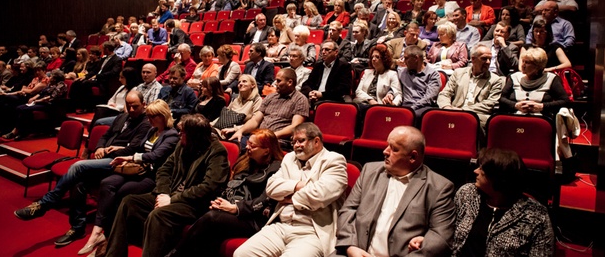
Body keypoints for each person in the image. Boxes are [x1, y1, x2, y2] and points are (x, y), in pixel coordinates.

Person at [14, 91, 152, 246]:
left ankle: (45, 203)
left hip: (119, 161)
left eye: (135, 106)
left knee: (78, 166)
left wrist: (109, 151)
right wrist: (100, 147)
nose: (132, 110)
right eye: (129, 106)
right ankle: (78, 227)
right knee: (78, 183)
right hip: (105, 156)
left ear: (144, 104)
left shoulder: (145, 123)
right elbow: (105, 136)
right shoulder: (122, 117)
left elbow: (133, 149)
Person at [103, 114, 230, 257]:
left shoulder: (217, 151)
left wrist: (172, 199)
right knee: (129, 202)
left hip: (193, 203)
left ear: (194, 135)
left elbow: (209, 187)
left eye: (183, 132)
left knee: (158, 215)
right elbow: (164, 169)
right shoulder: (182, 144)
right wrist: (163, 192)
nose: (179, 134)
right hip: (170, 194)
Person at [76, 100, 179, 256]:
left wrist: (131, 158)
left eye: (153, 117)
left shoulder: (171, 135)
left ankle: (110, 238)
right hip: (137, 170)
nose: (149, 120)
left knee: (122, 193)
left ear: (163, 116)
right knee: (107, 183)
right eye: (149, 116)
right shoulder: (152, 131)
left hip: (153, 176)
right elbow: (137, 147)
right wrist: (122, 150)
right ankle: (98, 232)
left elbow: (155, 155)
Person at [335, 126, 455, 257]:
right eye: (387, 145)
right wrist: (350, 247)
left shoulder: (439, 188)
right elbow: (347, 211)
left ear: (413, 157)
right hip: (356, 252)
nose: (385, 151)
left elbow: (441, 238)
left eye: (394, 149)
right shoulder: (369, 171)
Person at [234, 122, 348, 257]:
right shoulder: (289, 158)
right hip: (281, 226)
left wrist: (288, 197)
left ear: (316, 141)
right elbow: (271, 188)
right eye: (293, 141)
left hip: (311, 231)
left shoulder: (334, 161)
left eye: (301, 141)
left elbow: (318, 195)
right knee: (241, 254)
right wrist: (298, 186)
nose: (296, 145)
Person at [169, 129, 284, 257]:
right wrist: (220, 201)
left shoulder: (276, 169)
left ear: (266, 150)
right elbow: (230, 185)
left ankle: (175, 254)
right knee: (202, 211)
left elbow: (265, 199)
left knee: (212, 218)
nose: (247, 146)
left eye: (253, 145)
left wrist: (234, 208)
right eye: (248, 143)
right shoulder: (245, 161)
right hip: (231, 205)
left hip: (254, 218)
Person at [449, 148, 554, 256]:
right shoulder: (467, 194)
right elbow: (451, 236)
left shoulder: (536, 215)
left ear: (498, 178)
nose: (476, 171)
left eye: (482, 169)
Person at [228, 68, 309, 148]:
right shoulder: (270, 97)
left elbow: (295, 126)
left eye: (278, 81)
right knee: (233, 143)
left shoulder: (300, 100)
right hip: (257, 137)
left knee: (243, 147)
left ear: (290, 82)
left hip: (277, 140)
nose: (275, 84)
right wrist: (240, 131)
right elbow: (255, 120)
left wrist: (270, 136)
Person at [437, 44, 504, 130]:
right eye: (484, 58)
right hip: (452, 111)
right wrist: (446, 107)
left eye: (489, 59)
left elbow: (489, 104)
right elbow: (445, 93)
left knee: (473, 122)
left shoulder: (495, 80)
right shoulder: (458, 73)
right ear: (473, 59)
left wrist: (463, 111)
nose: (488, 62)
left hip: (477, 115)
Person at [499, 47, 570, 119]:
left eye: (527, 62)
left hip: (542, 120)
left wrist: (542, 106)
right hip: (515, 118)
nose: (523, 65)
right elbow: (502, 99)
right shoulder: (514, 77)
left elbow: (565, 101)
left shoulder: (551, 78)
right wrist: (515, 105)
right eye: (523, 61)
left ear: (538, 66)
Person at [4, 70, 68, 141]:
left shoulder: (62, 85)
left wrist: (37, 101)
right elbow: (41, 93)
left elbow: (52, 97)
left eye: (51, 76)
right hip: (40, 102)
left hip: (50, 105)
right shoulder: (51, 84)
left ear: (55, 78)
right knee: (19, 108)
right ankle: (17, 130)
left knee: (24, 110)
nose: (49, 77)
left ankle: (21, 132)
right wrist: (33, 98)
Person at [69, 41, 122, 112]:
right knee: (76, 82)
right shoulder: (103, 59)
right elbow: (95, 71)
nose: (102, 50)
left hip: (103, 81)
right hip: (96, 78)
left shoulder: (117, 59)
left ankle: (87, 107)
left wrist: (97, 76)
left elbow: (113, 72)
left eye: (104, 49)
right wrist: (85, 76)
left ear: (107, 49)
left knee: (85, 84)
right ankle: (73, 105)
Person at [301, 41, 352, 106]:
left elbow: (344, 88)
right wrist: (310, 93)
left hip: (332, 99)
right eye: (322, 49)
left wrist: (322, 95)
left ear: (336, 52)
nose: (323, 52)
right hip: (315, 98)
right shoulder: (318, 66)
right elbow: (307, 84)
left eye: (327, 50)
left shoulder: (344, 67)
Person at [398, 45, 441, 117]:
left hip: (424, 107)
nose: (404, 61)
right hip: (405, 105)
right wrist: (390, 94)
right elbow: (395, 88)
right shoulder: (402, 72)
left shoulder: (433, 74)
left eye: (406, 58)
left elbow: (429, 98)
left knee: (414, 115)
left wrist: (411, 109)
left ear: (416, 58)